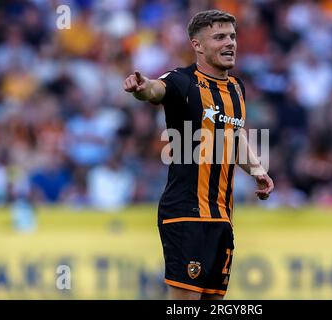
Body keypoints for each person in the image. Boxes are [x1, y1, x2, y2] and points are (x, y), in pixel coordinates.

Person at [123, 9, 274, 300]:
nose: (229, 43)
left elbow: (234, 134)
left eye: (232, 36)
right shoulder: (183, 81)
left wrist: (257, 169)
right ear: (197, 45)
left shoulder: (236, 88)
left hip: (222, 217)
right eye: (219, 37)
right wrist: (142, 88)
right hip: (186, 214)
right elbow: (156, 90)